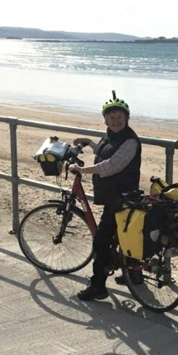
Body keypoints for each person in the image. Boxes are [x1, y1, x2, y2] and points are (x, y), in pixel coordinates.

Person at [68, 91, 142, 301]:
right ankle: (134, 273)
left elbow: (111, 165)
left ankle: (98, 286)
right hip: (113, 194)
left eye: (119, 117)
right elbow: (104, 151)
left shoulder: (130, 141)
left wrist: (82, 171)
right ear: (105, 120)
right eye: (111, 117)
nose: (116, 120)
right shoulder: (111, 135)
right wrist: (90, 142)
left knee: (101, 242)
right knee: (122, 234)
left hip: (120, 197)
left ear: (127, 118)